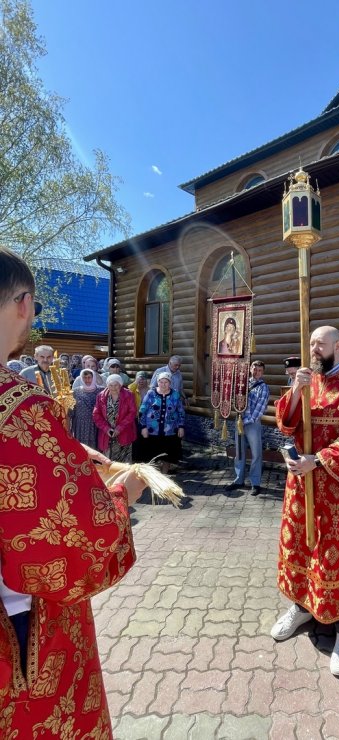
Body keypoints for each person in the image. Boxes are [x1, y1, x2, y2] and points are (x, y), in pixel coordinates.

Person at [0, 247, 145, 737]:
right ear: (24, 304)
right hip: (20, 626)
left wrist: (63, 453)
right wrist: (122, 496)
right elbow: (70, 536)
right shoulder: (19, 409)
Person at [271, 326, 339, 677]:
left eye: (321, 344)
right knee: (301, 546)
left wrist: (317, 460)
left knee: (336, 555)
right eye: (312, 343)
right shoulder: (305, 379)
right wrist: (295, 391)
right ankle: (302, 607)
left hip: (336, 490)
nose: (314, 349)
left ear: (337, 346)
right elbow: (286, 424)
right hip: (301, 484)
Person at [225, 360, 270, 496]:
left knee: (256, 453)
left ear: (263, 372)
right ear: (250, 369)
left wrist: (246, 421)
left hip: (252, 423)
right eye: (254, 369)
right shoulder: (242, 384)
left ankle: (255, 483)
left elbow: (260, 408)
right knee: (239, 451)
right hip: (239, 421)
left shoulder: (263, 387)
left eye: (260, 370)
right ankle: (239, 480)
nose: (256, 372)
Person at [139, 371, 186, 473]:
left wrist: (181, 426)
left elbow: (181, 411)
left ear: (170, 383)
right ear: (157, 382)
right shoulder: (151, 393)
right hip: (152, 431)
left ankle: (164, 476)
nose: (163, 384)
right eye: (161, 382)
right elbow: (142, 411)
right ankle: (153, 476)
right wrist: (143, 427)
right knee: (151, 456)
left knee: (167, 456)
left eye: (166, 382)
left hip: (170, 432)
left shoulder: (175, 394)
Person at [93, 374, 137, 462]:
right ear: (107, 385)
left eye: (116, 385)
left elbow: (132, 413)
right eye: (110, 385)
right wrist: (106, 428)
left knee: (124, 464)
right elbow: (96, 414)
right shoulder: (101, 396)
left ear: (120, 385)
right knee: (108, 462)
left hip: (124, 432)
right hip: (107, 434)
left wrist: (119, 428)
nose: (113, 388)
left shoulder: (128, 395)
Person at [71, 368, 102, 448]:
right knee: (81, 447)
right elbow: (71, 410)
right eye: (84, 377)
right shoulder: (75, 392)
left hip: (95, 424)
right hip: (80, 425)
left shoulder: (100, 391)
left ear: (93, 378)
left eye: (89, 377)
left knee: (94, 447)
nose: (87, 380)